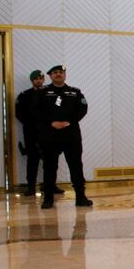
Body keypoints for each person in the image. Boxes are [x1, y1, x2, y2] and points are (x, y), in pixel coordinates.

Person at [34, 65, 93, 209]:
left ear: (65, 75)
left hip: (70, 134)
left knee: (76, 166)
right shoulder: (43, 92)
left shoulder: (74, 92)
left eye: (61, 72)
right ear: (50, 76)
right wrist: (51, 122)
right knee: (49, 167)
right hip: (50, 135)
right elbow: (35, 110)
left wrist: (69, 121)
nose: (58, 74)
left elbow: (83, 109)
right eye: (55, 73)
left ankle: (81, 197)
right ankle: (48, 199)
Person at [15, 70, 49, 196]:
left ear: (44, 79)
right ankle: (31, 187)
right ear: (32, 80)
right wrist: (31, 124)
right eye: (36, 79)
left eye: (41, 78)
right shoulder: (24, 95)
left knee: (49, 160)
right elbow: (19, 113)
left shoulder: (49, 93)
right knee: (32, 159)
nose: (39, 80)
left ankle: (49, 186)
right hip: (30, 131)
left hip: (47, 131)